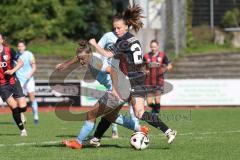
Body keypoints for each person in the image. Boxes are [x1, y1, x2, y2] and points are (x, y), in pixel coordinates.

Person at [88, 3, 177, 147]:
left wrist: (94, 44)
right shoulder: (133, 39)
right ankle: (96, 138)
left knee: (134, 112)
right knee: (116, 112)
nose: (116, 30)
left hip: (131, 80)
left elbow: (106, 53)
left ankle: (96, 138)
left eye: (118, 28)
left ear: (126, 27)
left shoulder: (123, 41)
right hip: (136, 79)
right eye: (114, 28)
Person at [57, 40, 147, 149]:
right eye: (80, 59)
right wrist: (66, 64)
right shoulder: (89, 55)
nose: (81, 62)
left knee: (91, 114)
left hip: (117, 89)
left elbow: (112, 71)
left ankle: (78, 142)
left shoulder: (96, 62)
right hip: (124, 88)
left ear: (89, 55)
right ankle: (140, 129)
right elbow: (78, 57)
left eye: (83, 59)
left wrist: (113, 90)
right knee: (111, 117)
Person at [0, 33, 27, 136]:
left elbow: (21, 62)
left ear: (2, 40)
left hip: (13, 81)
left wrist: (12, 71)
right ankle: (22, 130)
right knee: (13, 107)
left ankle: (21, 113)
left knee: (23, 107)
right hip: (2, 85)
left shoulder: (9, 50)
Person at [144, 39, 172, 114]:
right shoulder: (146, 56)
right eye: (152, 47)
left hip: (159, 81)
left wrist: (165, 69)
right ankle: (156, 110)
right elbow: (141, 67)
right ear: (150, 47)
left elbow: (169, 65)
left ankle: (155, 115)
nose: (153, 48)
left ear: (158, 47)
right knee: (149, 102)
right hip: (148, 82)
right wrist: (144, 71)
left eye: (155, 47)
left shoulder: (162, 55)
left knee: (157, 100)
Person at [16, 40, 39, 124]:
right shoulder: (16, 55)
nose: (20, 48)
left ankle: (36, 116)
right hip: (19, 80)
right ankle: (21, 117)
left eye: (21, 46)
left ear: (24, 47)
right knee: (19, 99)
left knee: (32, 98)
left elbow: (34, 67)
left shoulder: (29, 54)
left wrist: (29, 74)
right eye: (18, 46)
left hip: (29, 80)